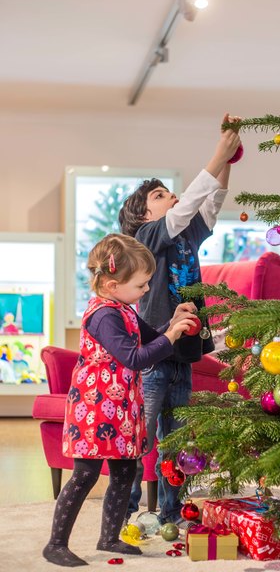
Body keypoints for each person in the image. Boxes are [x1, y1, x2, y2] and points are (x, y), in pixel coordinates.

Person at [43, 233, 197, 567]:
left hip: (122, 407)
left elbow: (150, 337)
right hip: (96, 408)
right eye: (141, 285)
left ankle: (109, 537)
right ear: (113, 284)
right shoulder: (104, 315)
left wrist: (172, 324)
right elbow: (135, 357)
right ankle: (55, 544)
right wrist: (171, 336)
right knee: (84, 476)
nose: (145, 290)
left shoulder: (123, 308)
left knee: (126, 472)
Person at [118, 113, 241, 527]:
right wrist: (216, 153)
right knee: (142, 436)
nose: (171, 197)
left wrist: (229, 157)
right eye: (160, 195)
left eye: (169, 192)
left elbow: (212, 201)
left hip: (182, 355)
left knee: (177, 440)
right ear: (144, 215)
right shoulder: (148, 237)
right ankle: (127, 508)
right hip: (153, 355)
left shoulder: (186, 235)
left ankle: (172, 512)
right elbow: (190, 202)